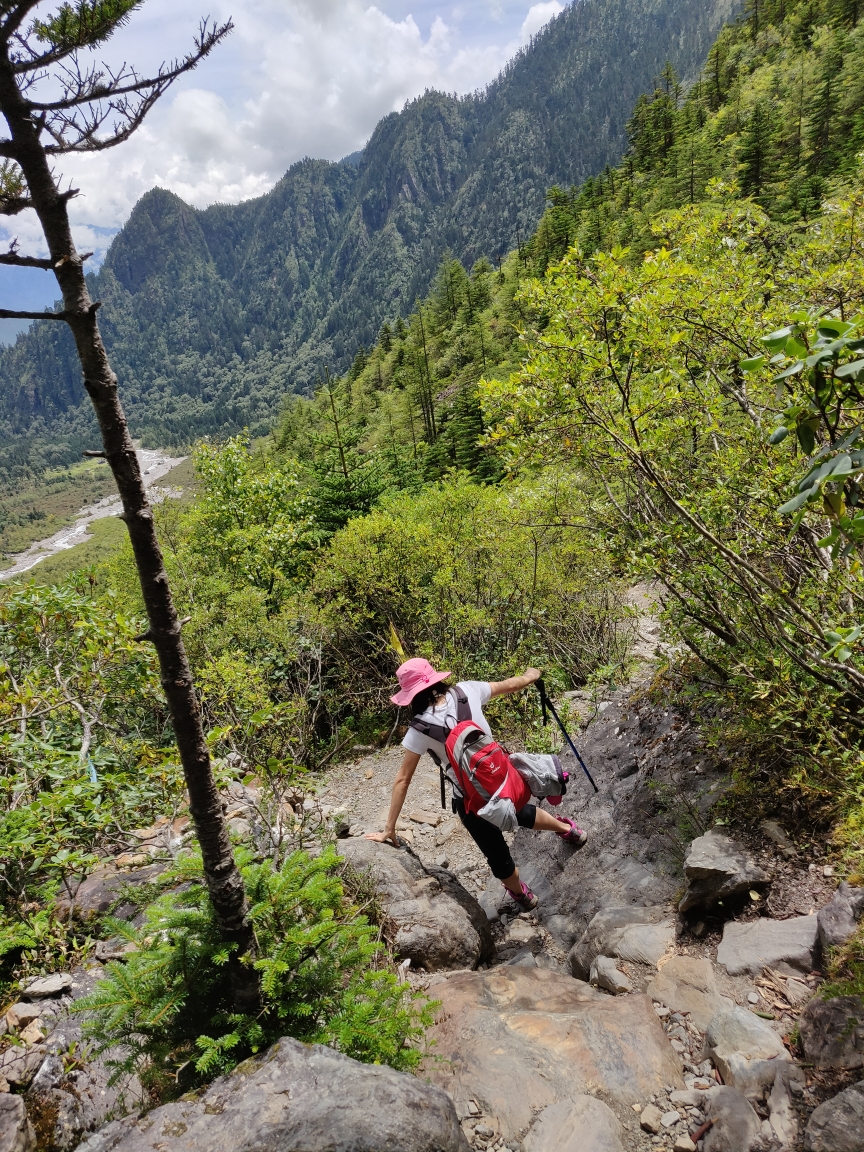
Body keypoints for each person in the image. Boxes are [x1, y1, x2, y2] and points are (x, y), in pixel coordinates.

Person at [366, 657, 587, 911]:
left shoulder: (419, 729)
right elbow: (512, 685)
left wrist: (389, 828)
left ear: (410, 695)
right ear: (436, 677)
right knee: (522, 811)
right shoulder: (466, 690)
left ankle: (522, 895)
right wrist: (530, 675)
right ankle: (568, 830)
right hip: (502, 778)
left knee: (497, 855)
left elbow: (403, 780)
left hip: (472, 800)